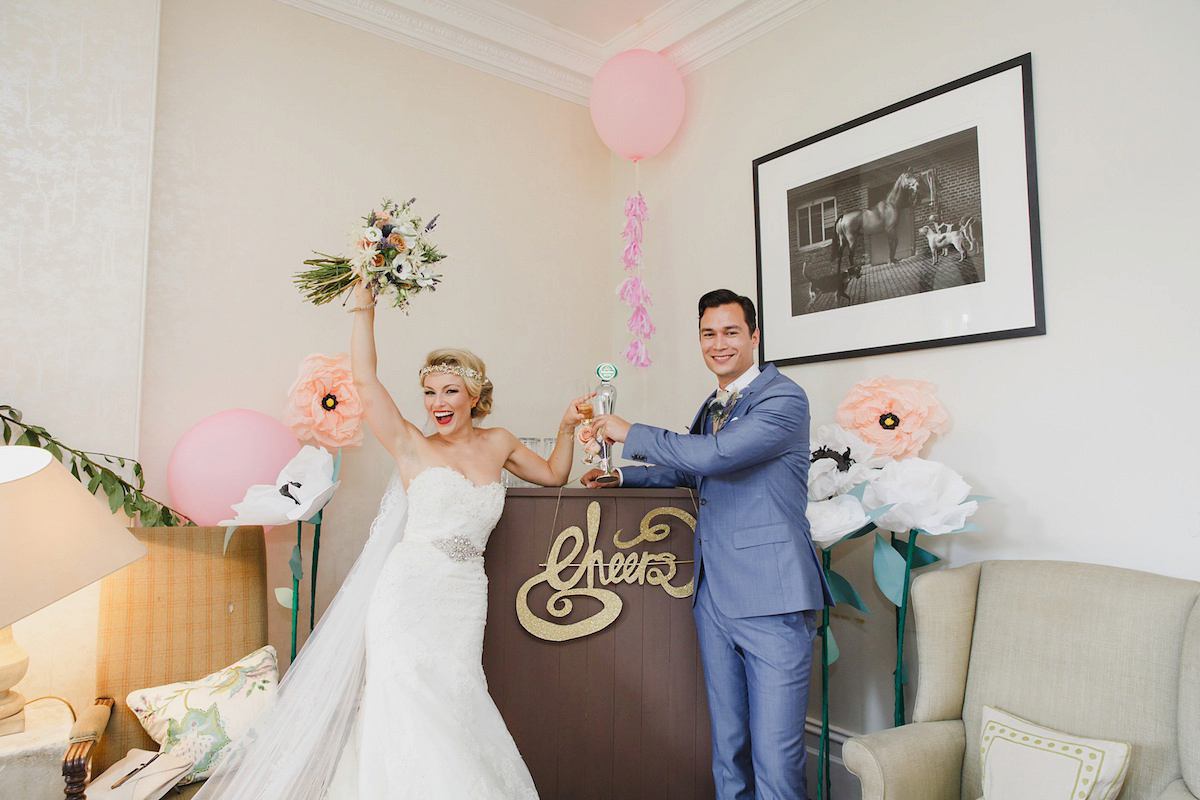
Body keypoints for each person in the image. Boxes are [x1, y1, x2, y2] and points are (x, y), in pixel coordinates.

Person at [195, 282, 586, 799]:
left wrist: (565, 427)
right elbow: (364, 379)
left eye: (449, 391)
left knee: (456, 696)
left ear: (474, 396)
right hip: (407, 591)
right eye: (429, 391)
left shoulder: (500, 443)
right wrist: (365, 307)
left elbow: (556, 475)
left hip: (465, 594)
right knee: (402, 692)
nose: (437, 402)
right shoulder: (410, 444)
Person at [583, 289, 832, 800]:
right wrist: (622, 479)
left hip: (772, 597)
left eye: (731, 331)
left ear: (755, 336)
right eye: (708, 333)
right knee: (729, 752)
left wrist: (628, 431)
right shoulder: (716, 404)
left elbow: (717, 455)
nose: (719, 344)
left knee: (777, 762)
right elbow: (689, 468)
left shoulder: (783, 397)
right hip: (714, 594)